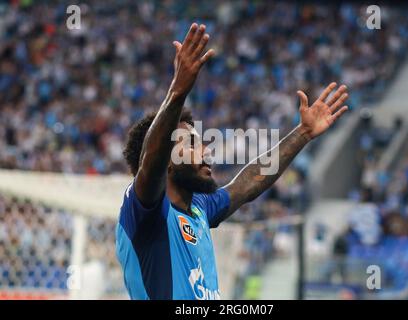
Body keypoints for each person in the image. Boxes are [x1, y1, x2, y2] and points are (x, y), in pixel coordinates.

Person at [115, 23, 349, 300]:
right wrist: (178, 90)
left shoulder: (199, 208)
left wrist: (303, 134)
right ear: (166, 159)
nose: (205, 150)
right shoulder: (145, 211)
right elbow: (150, 162)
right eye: (191, 144)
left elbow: (249, 182)